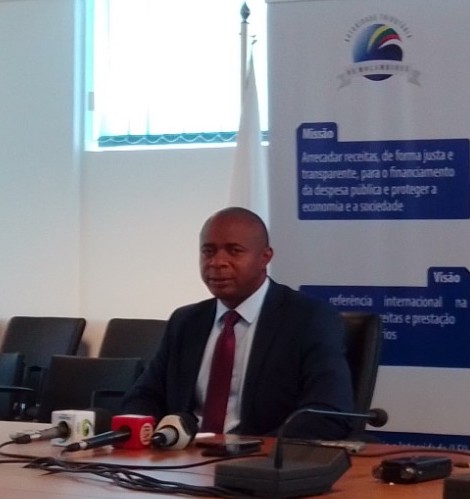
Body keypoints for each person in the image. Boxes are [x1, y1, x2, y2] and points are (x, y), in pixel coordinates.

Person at [122, 207, 354, 439]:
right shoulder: (186, 321)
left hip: (263, 455)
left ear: (265, 257)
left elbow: (327, 413)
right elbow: (143, 397)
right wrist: (149, 437)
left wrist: (256, 450)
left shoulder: (308, 319)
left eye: (234, 251)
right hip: (184, 456)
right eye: (208, 251)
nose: (217, 262)